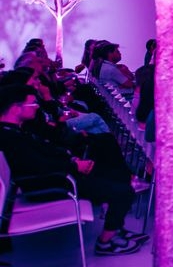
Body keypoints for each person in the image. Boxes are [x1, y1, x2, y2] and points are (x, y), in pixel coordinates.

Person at [0, 85, 146, 255]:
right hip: (51, 183)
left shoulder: (15, 130)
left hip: (56, 175)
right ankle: (105, 243)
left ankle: (116, 228)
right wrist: (74, 165)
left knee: (117, 175)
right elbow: (36, 164)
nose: (37, 106)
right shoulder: (9, 137)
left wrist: (72, 159)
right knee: (124, 192)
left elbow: (42, 154)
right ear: (16, 108)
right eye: (32, 104)